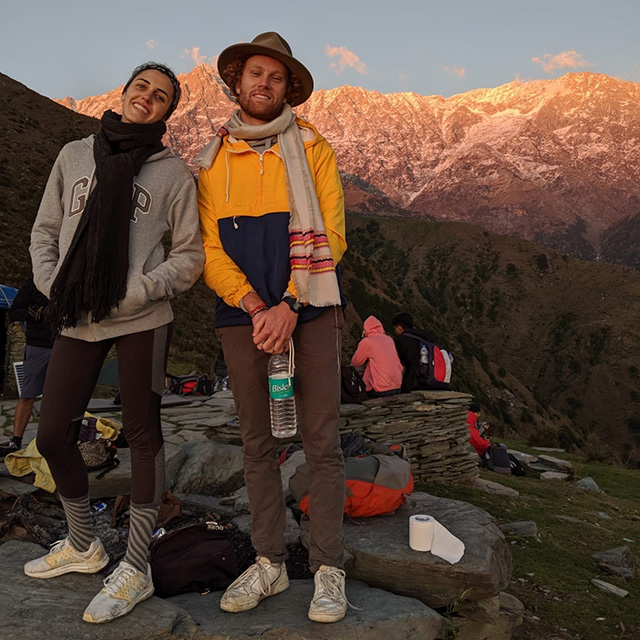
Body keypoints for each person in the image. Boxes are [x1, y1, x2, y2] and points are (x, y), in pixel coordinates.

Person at [25, 62, 204, 624]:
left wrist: (140, 288)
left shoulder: (172, 172)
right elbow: (44, 230)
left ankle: (136, 566)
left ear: (167, 113)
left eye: (161, 96)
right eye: (141, 89)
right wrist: (58, 284)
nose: (147, 99)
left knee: (142, 435)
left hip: (142, 318)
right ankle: (83, 544)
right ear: (124, 94)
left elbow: (190, 255)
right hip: (77, 314)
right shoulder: (74, 154)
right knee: (53, 434)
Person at [197, 32, 349, 623]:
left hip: (309, 308)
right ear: (238, 82)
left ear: (290, 89)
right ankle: (269, 561)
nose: (264, 84)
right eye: (255, 74)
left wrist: (289, 302)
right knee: (258, 445)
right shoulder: (213, 159)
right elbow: (208, 247)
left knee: (321, 442)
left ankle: (328, 567)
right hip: (244, 318)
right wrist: (256, 307)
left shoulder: (312, 147)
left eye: (276, 77)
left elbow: (331, 234)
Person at [0, 278, 54, 460]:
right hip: (38, 346)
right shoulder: (33, 286)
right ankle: (16, 440)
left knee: (60, 397)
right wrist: (37, 313)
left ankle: (55, 441)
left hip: (66, 346)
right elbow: (15, 312)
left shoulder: (69, 282)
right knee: (28, 395)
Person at [350, 315, 403, 398]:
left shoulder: (367, 342)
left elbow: (355, 362)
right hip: (397, 386)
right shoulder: (389, 339)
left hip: (381, 389)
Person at [391, 312, 440, 392]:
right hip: (431, 381)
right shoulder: (425, 338)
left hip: (412, 383)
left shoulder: (401, 340)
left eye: (395, 328)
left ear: (399, 328)